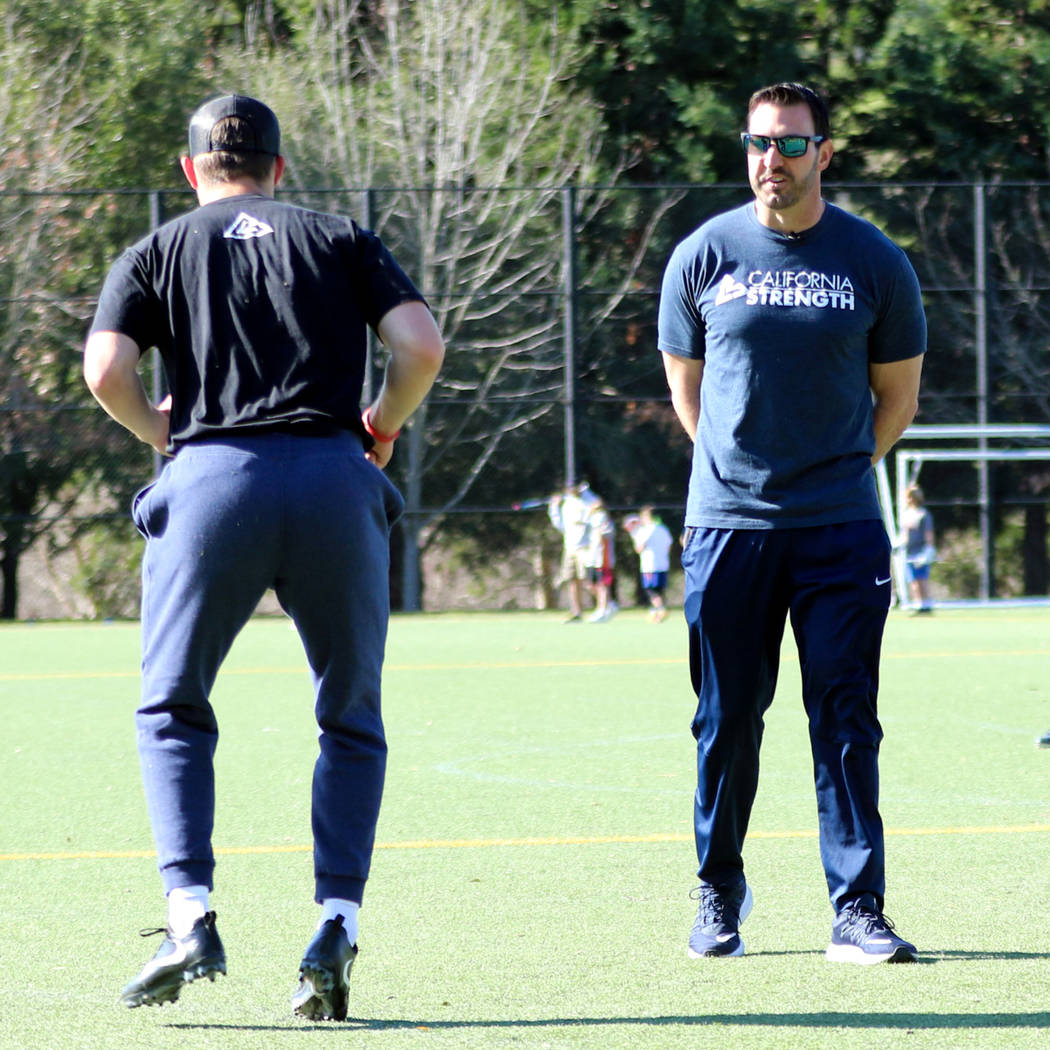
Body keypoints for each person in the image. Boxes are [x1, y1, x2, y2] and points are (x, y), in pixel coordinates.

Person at [82, 94, 444, 1020]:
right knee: (350, 717)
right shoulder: (338, 236)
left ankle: (190, 913)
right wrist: (381, 425)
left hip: (211, 483)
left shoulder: (157, 248)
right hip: (333, 474)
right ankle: (336, 922)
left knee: (172, 706)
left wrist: (159, 433)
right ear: (280, 169)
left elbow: (104, 370)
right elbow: (419, 345)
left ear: (190, 168)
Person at [658, 82, 925, 965]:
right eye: (758, 142)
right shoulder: (702, 254)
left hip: (839, 529)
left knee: (846, 717)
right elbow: (689, 397)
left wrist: (835, 472)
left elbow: (898, 401)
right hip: (729, 527)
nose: (771, 159)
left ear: (825, 154)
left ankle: (857, 908)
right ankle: (716, 896)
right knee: (726, 720)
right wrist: (742, 476)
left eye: (790, 144)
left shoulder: (875, 260)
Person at [548, 481, 598, 622]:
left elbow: (595, 509)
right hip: (570, 548)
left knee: (589, 581)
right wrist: (554, 507)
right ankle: (577, 612)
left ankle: (606, 605)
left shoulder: (586, 500)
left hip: (585, 547)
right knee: (572, 580)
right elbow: (559, 524)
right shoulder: (566, 504)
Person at [624, 506, 674, 622]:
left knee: (651, 590)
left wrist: (634, 535)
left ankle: (661, 609)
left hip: (650, 565)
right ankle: (655, 611)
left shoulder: (646, 530)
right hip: (663, 563)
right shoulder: (663, 529)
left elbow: (639, 548)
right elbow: (669, 546)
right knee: (659, 590)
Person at [900, 484, 936, 613]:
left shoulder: (923, 514)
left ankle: (926, 603)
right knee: (913, 580)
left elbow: (928, 533)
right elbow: (904, 533)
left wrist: (929, 549)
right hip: (909, 552)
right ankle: (918, 603)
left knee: (922, 579)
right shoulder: (906, 514)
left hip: (920, 552)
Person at [585, 497, 618, 622]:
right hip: (591, 557)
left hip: (601, 557)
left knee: (602, 584)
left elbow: (605, 536)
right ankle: (609, 604)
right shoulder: (589, 517)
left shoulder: (602, 517)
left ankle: (602, 609)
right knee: (591, 584)